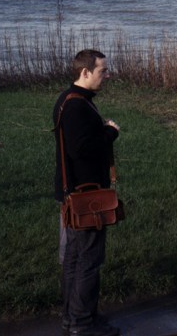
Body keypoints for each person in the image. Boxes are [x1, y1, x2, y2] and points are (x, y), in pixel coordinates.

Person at [53, 49, 122, 336]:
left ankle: (76, 318)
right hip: (86, 198)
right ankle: (82, 324)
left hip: (74, 194)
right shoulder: (77, 107)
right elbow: (80, 149)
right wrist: (109, 133)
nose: (106, 75)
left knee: (74, 259)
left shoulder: (69, 101)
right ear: (85, 72)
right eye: (102, 71)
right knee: (87, 260)